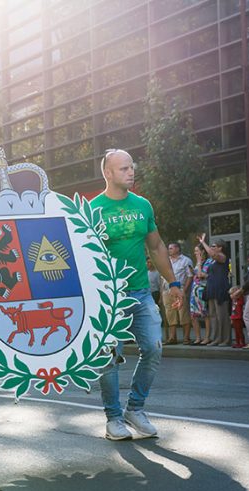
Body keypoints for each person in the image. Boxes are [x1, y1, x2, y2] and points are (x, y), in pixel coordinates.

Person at [88, 149, 182, 442]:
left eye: (132, 167)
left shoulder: (142, 206)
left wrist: (173, 282)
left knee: (154, 348)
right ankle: (113, 418)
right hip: (107, 296)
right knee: (109, 357)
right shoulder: (92, 210)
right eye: (124, 168)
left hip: (141, 292)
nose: (131, 172)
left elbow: (156, 246)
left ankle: (135, 409)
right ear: (108, 173)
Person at [200, 235, 231, 346]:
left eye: (213, 246)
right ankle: (216, 338)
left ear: (220, 248)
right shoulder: (213, 261)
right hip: (211, 288)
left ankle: (225, 339)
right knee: (213, 315)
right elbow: (209, 274)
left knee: (221, 315)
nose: (211, 248)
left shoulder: (222, 256)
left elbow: (213, 254)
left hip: (220, 288)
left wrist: (203, 242)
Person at [162, 242, 192, 345]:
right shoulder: (166, 261)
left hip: (180, 289)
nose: (169, 250)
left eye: (171, 248)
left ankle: (186, 338)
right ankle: (172, 338)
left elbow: (190, 276)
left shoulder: (186, 260)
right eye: (168, 248)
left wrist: (184, 290)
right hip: (167, 290)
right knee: (170, 314)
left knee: (183, 313)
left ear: (178, 249)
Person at [189, 243, 212, 345]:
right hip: (194, 290)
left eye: (197, 251)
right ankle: (198, 337)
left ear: (202, 251)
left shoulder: (208, 262)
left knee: (205, 314)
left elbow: (201, 275)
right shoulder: (199, 262)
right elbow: (196, 275)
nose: (195, 253)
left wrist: (198, 263)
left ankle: (207, 337)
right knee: (193, 315)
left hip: (202, 291)